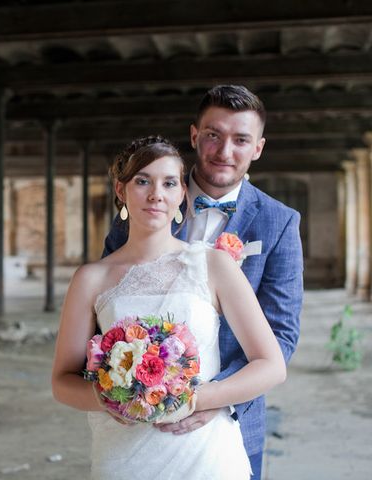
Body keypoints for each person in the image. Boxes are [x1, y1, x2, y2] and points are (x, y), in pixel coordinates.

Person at [51, 135, 287, 479]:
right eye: (142, 180)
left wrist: (196, 400)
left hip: (206, 453)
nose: (155, 194)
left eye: (169, 183)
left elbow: (272, 365)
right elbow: (62, 382)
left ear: (182, 195)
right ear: (121, 190)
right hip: (124, 455)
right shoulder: (90, 278)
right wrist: (113, 399)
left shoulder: (214, 265)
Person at [101, 85, 304, 478]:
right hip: (135, 412)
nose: (224, 152)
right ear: (195, 136)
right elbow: (108, 301)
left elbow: (280, 333)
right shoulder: (143, 205)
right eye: (213, 135)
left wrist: (214, 399)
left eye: (240, 140)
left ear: (258, 148)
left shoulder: (279, 223)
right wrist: (122, 386)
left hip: (228, 419)